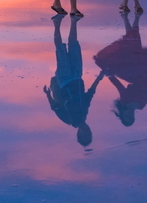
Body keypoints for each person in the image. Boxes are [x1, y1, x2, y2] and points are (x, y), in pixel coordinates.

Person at [43, 14, 104, 147]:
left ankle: (57, 24)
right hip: (77, 76)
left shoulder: (69, 120)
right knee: (74, 46)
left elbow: (55, 107)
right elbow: (90, 94)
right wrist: (99, 78)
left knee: (60, 50)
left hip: (65, 80)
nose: (88, 132)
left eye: (85, 135)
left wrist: (48, 94)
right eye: (90, 134)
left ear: (79, 134)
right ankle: (74, 21)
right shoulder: (84, 114)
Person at [93, 11, 147, 127]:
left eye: (128, 117)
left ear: (124, 114)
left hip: (132, 71)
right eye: (132, 117)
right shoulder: (141, 105)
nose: (131, 115)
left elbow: (119, 86)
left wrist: (109, 73)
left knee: (132, 43)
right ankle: (130, 18)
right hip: (144, 71)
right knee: (134, 42)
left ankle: (132, 18)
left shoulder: (125, 101)